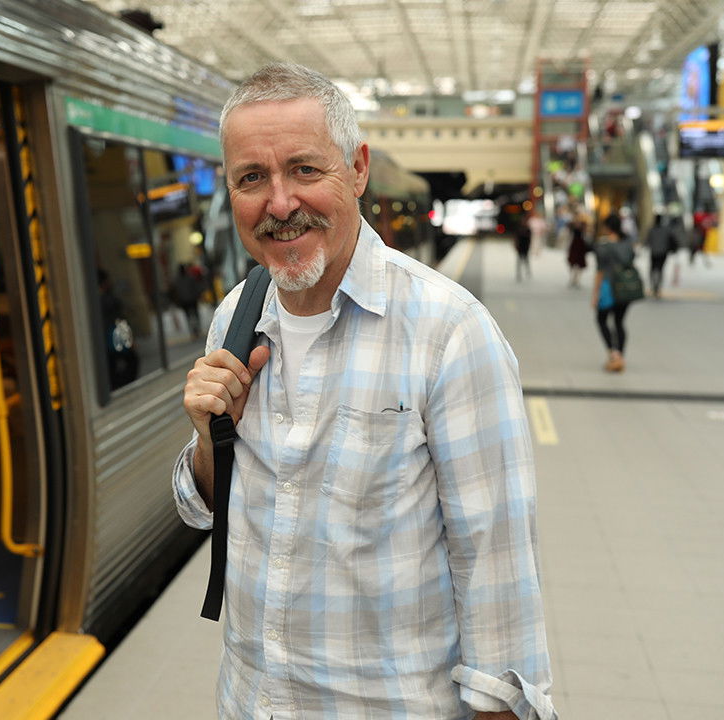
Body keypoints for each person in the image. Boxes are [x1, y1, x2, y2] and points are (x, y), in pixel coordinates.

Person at [172, 62, 554, 720]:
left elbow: (498, 572)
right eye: (251, 179)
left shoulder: (450, 333)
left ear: (358, 169)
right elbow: (202, 508)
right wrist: (211, 439)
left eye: (304, 169)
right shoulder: (236, 317)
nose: (280, 204)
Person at [593, 214, 636, 372]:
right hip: (626, 288)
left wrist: (595, 293)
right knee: (619, 322)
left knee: (601, 319)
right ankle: (619, 355)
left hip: (608, 287)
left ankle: (614, 353)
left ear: (608, 227)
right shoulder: (628, 243)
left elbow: (600, 271)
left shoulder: (603, 245)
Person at [645, 214, 674, 299]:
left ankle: (654, 286)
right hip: (663, 252)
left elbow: (647, 240)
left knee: (653, 269)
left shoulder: (651, 229)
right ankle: (658, 287)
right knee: (660, 269)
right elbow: (670, 239)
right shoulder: (666, 230)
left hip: (654, 252)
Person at [567, 213, 589, 288]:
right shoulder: (571, 224)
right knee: (572, 262)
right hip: (574, 245)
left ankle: (577, 279)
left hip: (580, 245)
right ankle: (572, 278)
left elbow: (586, 233)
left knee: (579, 263)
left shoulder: (583, 224)